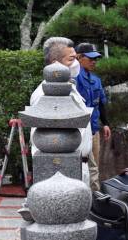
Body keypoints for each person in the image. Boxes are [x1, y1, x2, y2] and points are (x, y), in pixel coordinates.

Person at [29, 37, 93, 186]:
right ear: (55, 64)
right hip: (61, 168)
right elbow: (42, 139)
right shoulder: (44, 94)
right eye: (71, 59)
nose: (76, 64)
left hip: (79, 164)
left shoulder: (70, 87)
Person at [74, 43, 109, 191]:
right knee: (88, 167)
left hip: (94, 129)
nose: (94, 61)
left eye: (96, 59)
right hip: (79, 130)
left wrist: (106, 124)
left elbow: (101, 103)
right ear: (79, 58)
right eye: (90, 58)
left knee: (94, 167)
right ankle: (93, 200)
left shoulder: (96, 80)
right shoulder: (74, 78)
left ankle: (93, 198)